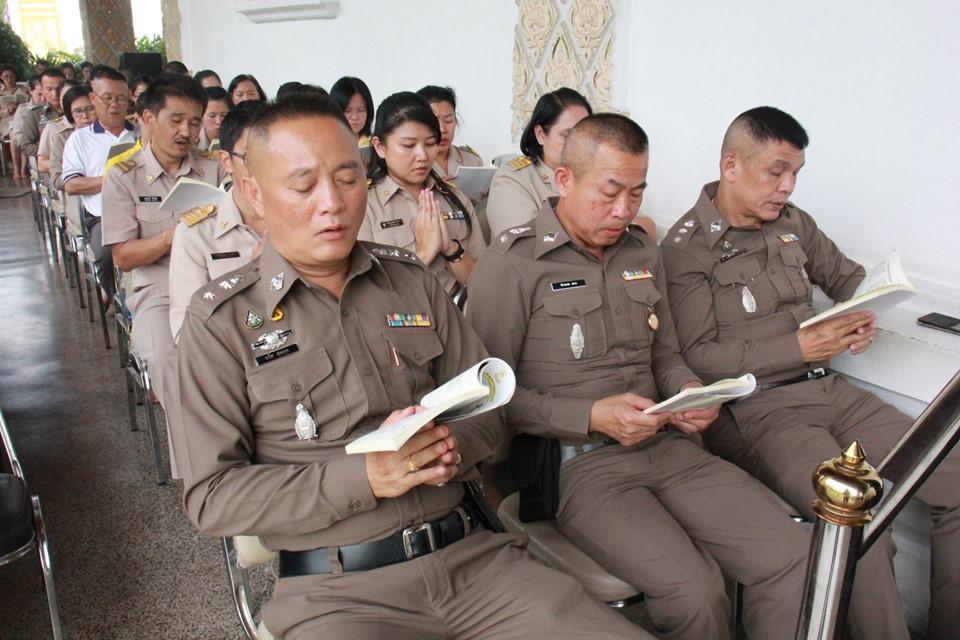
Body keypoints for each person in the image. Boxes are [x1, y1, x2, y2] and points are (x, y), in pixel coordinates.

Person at [177, 92, 649, 640]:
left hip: (474, 563)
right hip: (338, 593)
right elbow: (211, 497)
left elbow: (489, 407)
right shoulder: (223, 321)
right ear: (254, 195)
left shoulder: (411, 281)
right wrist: (367, 476)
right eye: (303, 185)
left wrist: (449, 444)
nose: (331, 202)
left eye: (348, 178)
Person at [467, 113, 810, 640]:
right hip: (577, 467)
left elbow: (667, 355)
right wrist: (588, 416)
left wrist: (688, 391)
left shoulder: (642, 251)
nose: (623, 210)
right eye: (609, 193)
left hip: (668, 447)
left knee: (793, 555)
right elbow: (487, 398)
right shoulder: (513, 263)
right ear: (564, 180)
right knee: (695, 591)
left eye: (636, 192)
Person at [660, 106, 960, 640]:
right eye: (776, 171)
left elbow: (850, 280)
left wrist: (866, 311)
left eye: (796, 172)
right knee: (856, 532)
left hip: (831, 390)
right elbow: (698, 357)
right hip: (759, 412)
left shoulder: (794, 223)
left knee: (956, 476)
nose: (787, 186)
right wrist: (796, 346)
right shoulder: (686, 249)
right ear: (732, 165)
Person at [101, 75, 227, 477]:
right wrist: (176, 236)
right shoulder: (124, 175)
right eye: (176, 120)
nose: (186, 131)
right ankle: (197, 469)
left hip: (217, 281)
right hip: (157, 290)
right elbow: (123, 257)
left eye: (194, 122)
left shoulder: (212, 168)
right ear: (147, 119)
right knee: (166, 356)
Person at [361, 92, 483, 298]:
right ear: (380, 147)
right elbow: (368, 295)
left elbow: (483, 282)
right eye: (408, 146)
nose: (423, 156)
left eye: (430, 144)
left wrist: (452, 249)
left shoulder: (454, 199)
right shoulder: (364, 206)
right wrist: (425, 253)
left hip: (456, 318)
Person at [169, 101, 266, 341]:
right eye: (251, 156)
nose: (267, 167)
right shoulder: (196, 234)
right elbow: (188, 334)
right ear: (226, 160)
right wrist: (251, 274)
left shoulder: (303, 220)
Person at [63, 66, 138, 300]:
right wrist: (112, 180)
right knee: (106, 254)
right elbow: (72, 185)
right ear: (94, 99)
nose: (114, 105)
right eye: (107, 99)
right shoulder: (80, 139)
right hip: (102, 215)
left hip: (141, 208)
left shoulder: (139, 134)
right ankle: (112, 295)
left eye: (120, 99)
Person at [486, 88, 590, 238]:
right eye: (567, 136)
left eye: (585, 137)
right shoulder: (512, 179)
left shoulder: (595, 176)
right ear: (541, 134)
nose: (578, 145)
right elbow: (524, 248)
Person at [415, 85, 483, 181]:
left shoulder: (472, 161)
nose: (442, 129)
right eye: (435, 121)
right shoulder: (413, 165)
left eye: (448, 120)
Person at [49, 84, 95, 191]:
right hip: (77, 197)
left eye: (90, 109)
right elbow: (55, 180)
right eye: (78, 111)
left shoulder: (110, 132)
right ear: (70, 114)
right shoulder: (63, 137)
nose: (85, 116)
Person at [13, 68, 64, 160]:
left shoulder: (76, 109)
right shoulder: (35, 114)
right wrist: (54, 152)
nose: (55, 94)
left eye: (58, 89)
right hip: (48, 166)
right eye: (49, 89)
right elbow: (27, 146)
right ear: (43, 91)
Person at [37, 79, 80, 176]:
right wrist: (73, 167)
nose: (70, 100)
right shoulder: (53, 127)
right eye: (65, 97)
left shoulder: (93, 124)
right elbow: (41, 164)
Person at [10, 75, 44, 179]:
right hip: (36, 152)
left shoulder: (55, 109)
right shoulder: (23, 110)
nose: (43, 99)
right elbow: (18, 137)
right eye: (39, 94)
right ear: (31, 91)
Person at [1, 64, 28, 179]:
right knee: (14, 133)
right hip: (6, 122)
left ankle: (23, 168)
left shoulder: (23, 89)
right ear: (1, 77)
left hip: (21, 119)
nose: (9, 79)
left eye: (12, 76)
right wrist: (8, 110)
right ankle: (17, 169)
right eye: (6, 76)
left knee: (23, 132)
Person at [330, 76, 374, 146]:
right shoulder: (328, 142)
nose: (354, 117)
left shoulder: (375, 143)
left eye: (360, 110)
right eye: (347, 111)